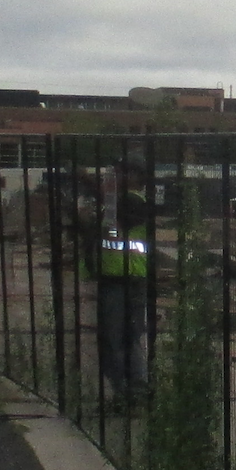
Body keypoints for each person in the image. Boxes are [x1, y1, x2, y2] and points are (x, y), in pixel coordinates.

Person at [85, 160, 155, 400]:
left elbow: (116, 228)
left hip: (126, 277)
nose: (114, 176)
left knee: (120, 338)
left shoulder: (133, 201)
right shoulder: (118, 201)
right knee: (121, 337)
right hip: (116, 276)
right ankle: (129, 389)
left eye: (120, 173)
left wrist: (101, 200)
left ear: (135, 176)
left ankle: (132, 390)